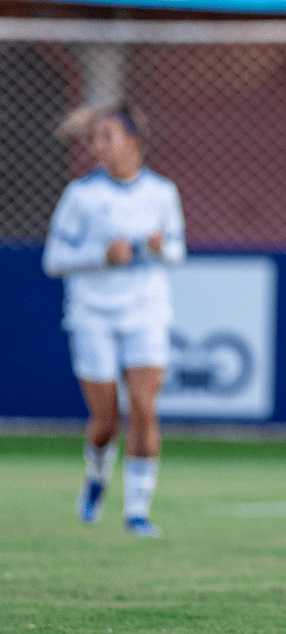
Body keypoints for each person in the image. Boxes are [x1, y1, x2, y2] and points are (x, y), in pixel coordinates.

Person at [43, 101, 186, 538]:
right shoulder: (81, 195)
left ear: (134, 142)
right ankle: (98, 477)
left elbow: (178, 252)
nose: (98, 146)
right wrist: (101, 257)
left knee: (143, 407)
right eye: (95, 138)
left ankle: (137, 511)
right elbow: (54, 259)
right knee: (106, 420)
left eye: (107, 137)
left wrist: (161, 250)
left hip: (145, 312)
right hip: (93, 316)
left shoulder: (161, 192)